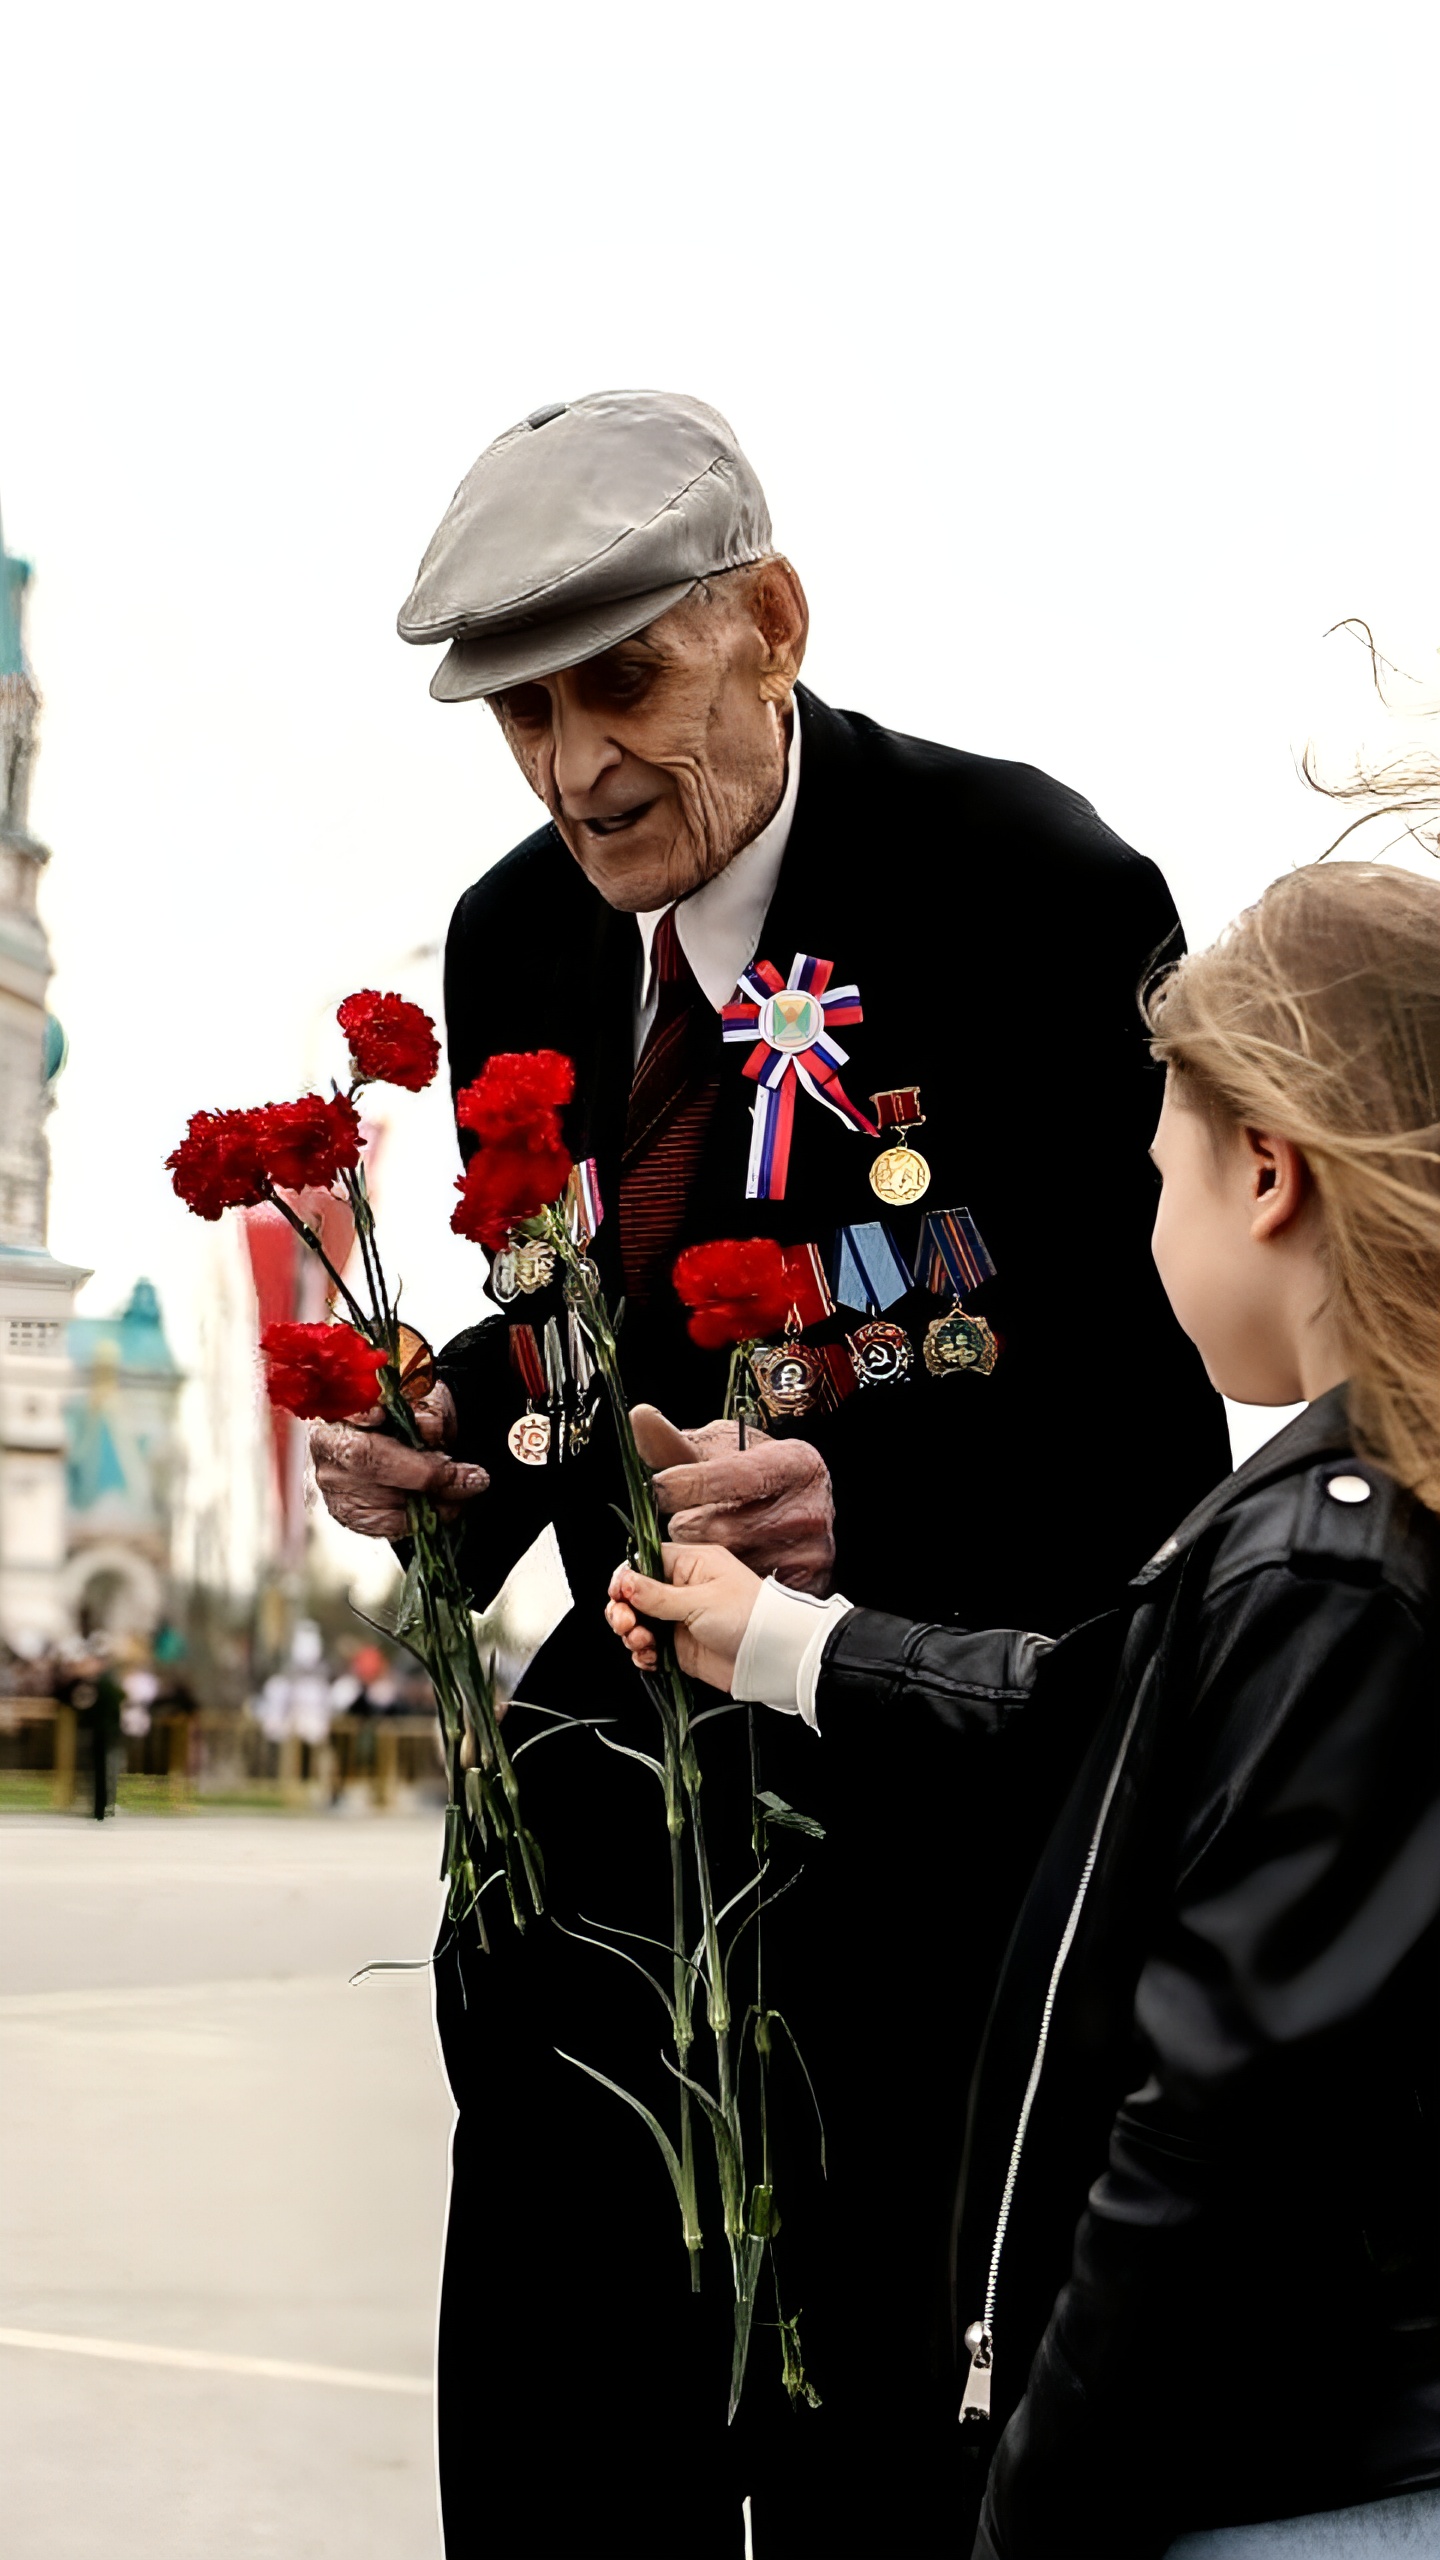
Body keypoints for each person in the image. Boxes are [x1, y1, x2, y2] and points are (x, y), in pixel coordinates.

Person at [312, 389, 1228, 2556]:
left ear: (773, 625)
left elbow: (1161, 1409)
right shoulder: (517, 938)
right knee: (561, 2408)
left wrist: (867, 1518)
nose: (574, 767)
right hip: (631, 1814)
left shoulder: (1029, 890)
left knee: (878, 2457)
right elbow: (579, 1335)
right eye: (520, 713)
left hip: (913, 1813)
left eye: (620, 682)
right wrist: (456, 1441)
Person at [608, 860, 1440, 2559]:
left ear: (1267, 1175)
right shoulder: (1343, 1526)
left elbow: (1201, 2152)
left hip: (1285, 2481)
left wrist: (1033, 2501)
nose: (1153, 1228)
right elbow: (1080, 1705)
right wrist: (782, 1641)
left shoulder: (1325, 1566)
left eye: (1163, 1176)